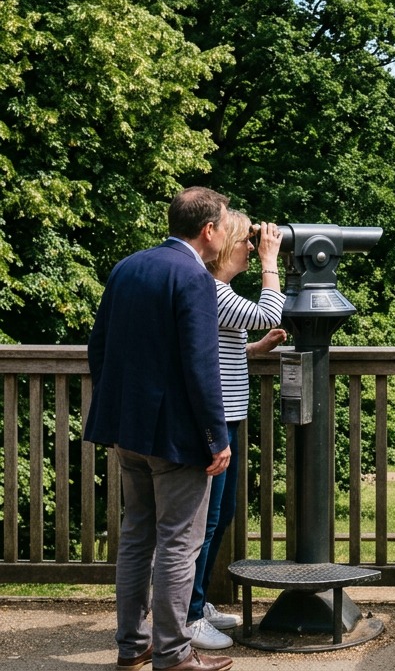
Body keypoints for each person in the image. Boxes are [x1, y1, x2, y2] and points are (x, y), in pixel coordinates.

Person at [84, 187, 235, 671]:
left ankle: (132, 645)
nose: (229, 232)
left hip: (129, 430)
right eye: (225, 224)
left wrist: (114, 409)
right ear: (208, 230)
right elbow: (200, 365)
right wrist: (217, 437)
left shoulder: (129, 266)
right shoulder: (194, 277)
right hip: (176, 438)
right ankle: (172, 654)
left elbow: (99, 345)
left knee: (136, 536)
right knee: (178, 542)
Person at [186, 212, 288, 649]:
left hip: (228, 417)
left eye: (256, 243)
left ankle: (198, 602)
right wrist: (271, 260)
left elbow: (218, 347)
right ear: (228, 248)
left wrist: (253, 349)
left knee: (221, 514)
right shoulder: (214, 290)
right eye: (247, 242)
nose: (252, 246)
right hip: (216, 420)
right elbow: (269, 312)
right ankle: (188, 615)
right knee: (206, 522)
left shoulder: (221, 294)